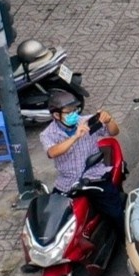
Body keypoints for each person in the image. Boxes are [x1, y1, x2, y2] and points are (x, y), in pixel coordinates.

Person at [41, 90, 124, 225]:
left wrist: (109, 120)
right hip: (67, 182)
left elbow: (114, 132)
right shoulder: (48, 134)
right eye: (69, 112)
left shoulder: (87, 122)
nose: (73, 114)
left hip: (93, 176)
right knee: (54, 219)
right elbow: (52, 152)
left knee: (115, 214)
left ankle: (125, 241)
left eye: (75, 110)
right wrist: (75, 137)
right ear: (56, 115)